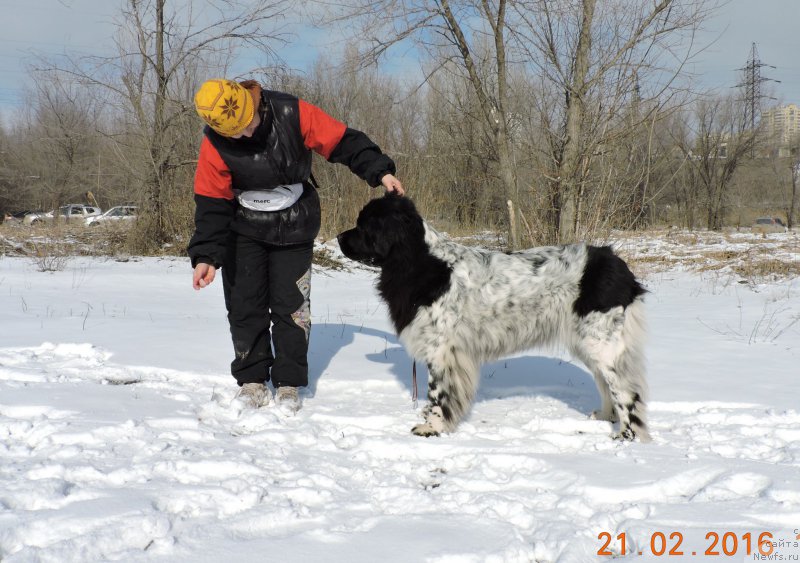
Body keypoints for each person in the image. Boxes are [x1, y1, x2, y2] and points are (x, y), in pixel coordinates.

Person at [188, 78, 404, 413]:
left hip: (295, 224)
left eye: (248, 126)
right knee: (245, 306)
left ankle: (288, 383)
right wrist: (206, 256)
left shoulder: (291, 112)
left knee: (293, 308)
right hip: (242, 228)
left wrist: (380, 172)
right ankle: (252, 379)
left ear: (254, 104)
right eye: (235, 134)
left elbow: (343, 142)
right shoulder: (215, 143)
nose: (245, 136)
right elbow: (211, 203)